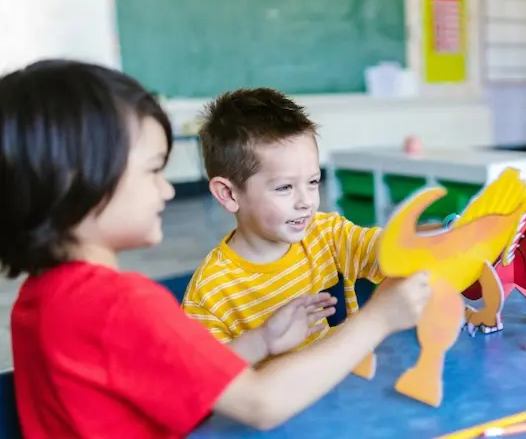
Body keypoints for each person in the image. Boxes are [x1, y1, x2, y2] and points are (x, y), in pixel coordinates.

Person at [0, 59, 431, 438]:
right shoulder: (120, 304)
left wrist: (260, 342)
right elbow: (260, 404)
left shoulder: (39, 298)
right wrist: (379, 318)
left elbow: (176, 381)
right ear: (78, 183)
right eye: (153, 170)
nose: (167, 190)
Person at [181, 88, 385, 361]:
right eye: (285, 187)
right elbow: (203, 380)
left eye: (313, 182)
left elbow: (387, 249)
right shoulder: (210, 295)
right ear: (229, 194)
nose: (306, 202)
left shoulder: (327, 234)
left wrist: (440, 235)